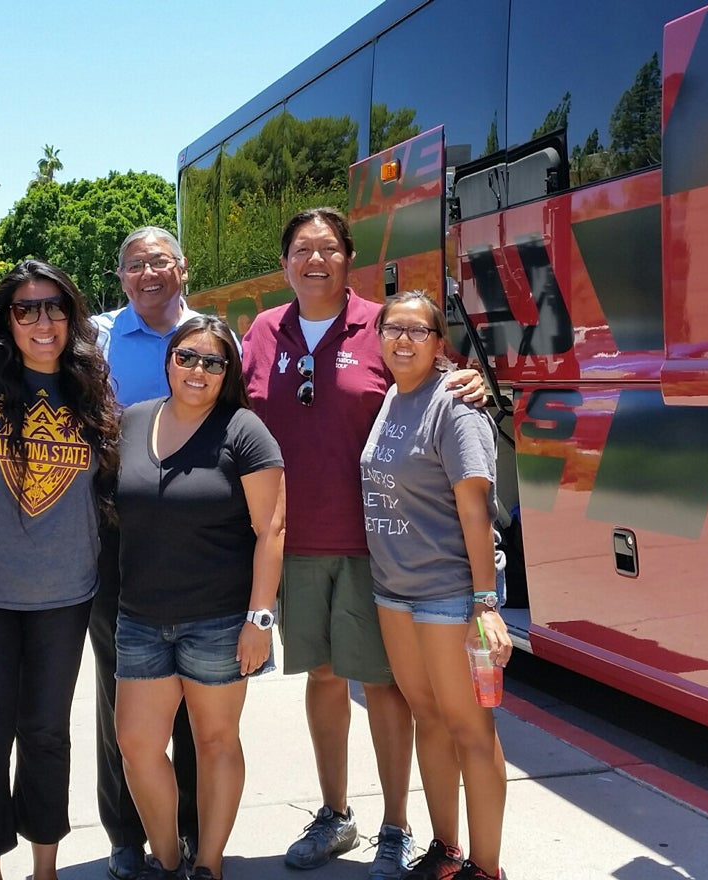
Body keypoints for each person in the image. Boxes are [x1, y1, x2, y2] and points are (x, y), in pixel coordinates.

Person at [240, 207, 485, 879]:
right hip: (296, 544)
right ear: (285, 261)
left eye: (326, 249)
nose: (313, 260)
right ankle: (335, 814)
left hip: (379, 544)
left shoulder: (383, 326)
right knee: (321, 677)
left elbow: (435, 382)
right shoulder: (262, 331)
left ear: (350, 259)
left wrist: (473, 380)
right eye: (299, 249)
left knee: (383, 688)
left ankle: (395, 827)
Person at [0, 260, 121, 880]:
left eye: (55, 307)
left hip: (66, 595)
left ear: (72, 316)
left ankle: (46, 870)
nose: (43, 321)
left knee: (47, 736)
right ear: (5, 319)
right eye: (26, 309)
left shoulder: (91, 385)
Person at [115, 315, 285, 880]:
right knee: (138, 747)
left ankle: (208, 865)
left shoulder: (244, 430)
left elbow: (272, 530)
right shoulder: (135, 421)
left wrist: (259, 619)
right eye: (187, 357)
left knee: (215, 743)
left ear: (228, 372)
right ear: (169, 360)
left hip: (218, 620)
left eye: (214, 362)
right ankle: (168, 861)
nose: (198, 370)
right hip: (140, 619)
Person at [362, 291, 511, 880]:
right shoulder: (392, 398)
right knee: (427, 716)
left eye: (417, 331)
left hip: (450, 592)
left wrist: (485, 603)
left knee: (470, 728)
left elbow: (476, 510)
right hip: (392, 589)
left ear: (438, 341)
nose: (403, 340)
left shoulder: (454, 403)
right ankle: (447, 851)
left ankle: (486, 866)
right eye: (393, 329)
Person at [91, 226, 204, 880]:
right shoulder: (96, 339)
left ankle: (188, 831)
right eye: (135, 264)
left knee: (196, 693)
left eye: (159, 260)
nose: (148, 273)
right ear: (122, 276)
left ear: (181, 267)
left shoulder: (215, 337)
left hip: (196, 540)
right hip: (117, 535)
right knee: (120, 691)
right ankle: (126, 835)